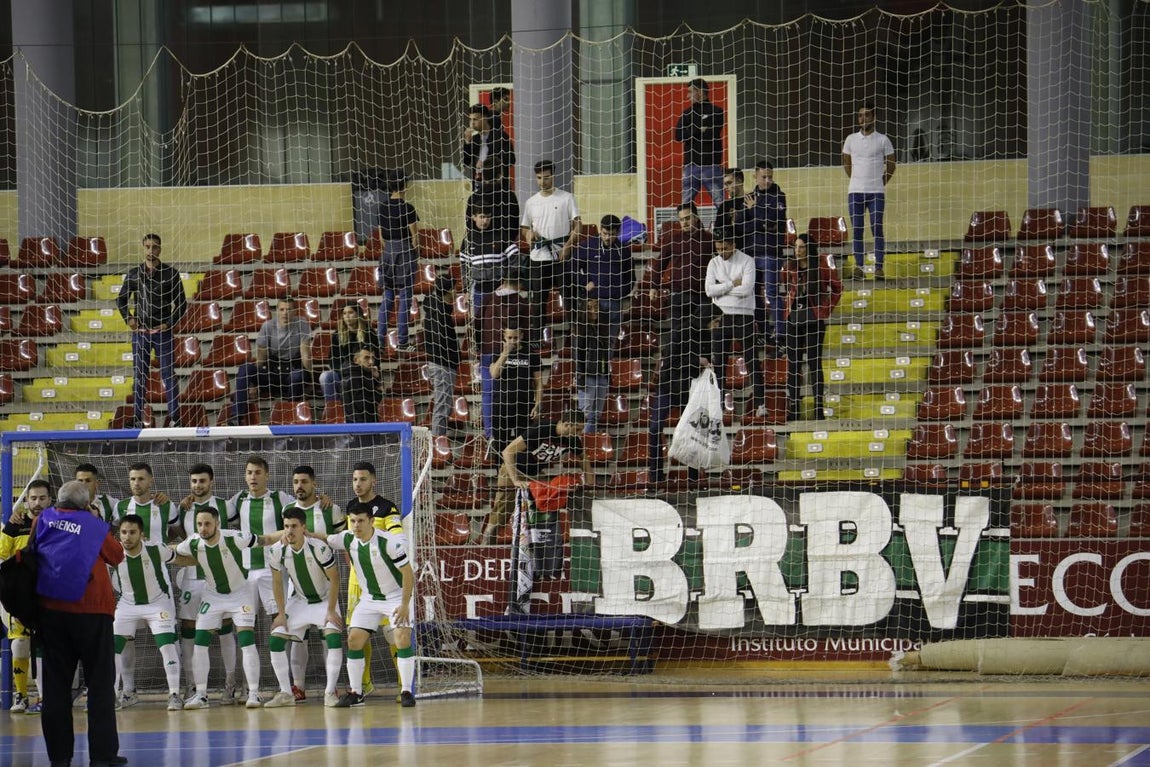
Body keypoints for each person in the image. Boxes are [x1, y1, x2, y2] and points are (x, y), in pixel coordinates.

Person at [33, 480, 125, 767]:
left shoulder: (43, 519)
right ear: (86, 504)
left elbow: (33, 551)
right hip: (93, 612)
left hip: (52, 611)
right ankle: (102, 756)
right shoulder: (93, 525)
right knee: (99, 685)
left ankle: (60, 758)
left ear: (56, 500)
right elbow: (117, 555)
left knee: (56, 688)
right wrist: (95, 520)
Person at [174, 505, 285, 710]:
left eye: (207, 523)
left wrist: (288, 532)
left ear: (217, 523)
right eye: (199, 524)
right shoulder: (193, 542)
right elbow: (175, 553)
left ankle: (253, 693)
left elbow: (265, 539)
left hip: (239, 594)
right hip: (213, 595)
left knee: (246, 640)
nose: (203, 528)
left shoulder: (234, 537)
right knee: (200, 642)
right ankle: (201, 695)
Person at [648, 203, 712, 485]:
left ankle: (693, 475)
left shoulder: (708, 240)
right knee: (677, 340)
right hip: (677, 294)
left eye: (688, 218)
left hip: (700, 296)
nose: (684, 223)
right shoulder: (673, 238)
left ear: (697, 217)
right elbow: (659, 262)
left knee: (692, 339)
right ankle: (654, 476)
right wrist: (652, 283)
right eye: (681, 219)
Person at [173, 463, 239, 705]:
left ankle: (230, 685)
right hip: (192, 577)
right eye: (194, 481)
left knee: (225, 628)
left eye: (202, 481)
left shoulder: (226, 506)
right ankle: (192, 686)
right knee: (189, 629)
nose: (197, 485)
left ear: (211, 481)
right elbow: (179, 536)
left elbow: (234, 536)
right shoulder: (184, 508)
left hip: (220, 577)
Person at [265, 507, 343, 709]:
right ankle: (286, 693)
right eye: (286, 526)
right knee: (276, 637)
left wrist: (331, 611)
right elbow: (276, 583)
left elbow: (335, 579)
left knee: (333, 637)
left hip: (325, 601)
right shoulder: (276, 550)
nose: (289, 531)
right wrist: (281, 614)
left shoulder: (319, 548)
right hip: (299, 601)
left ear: (303, 528)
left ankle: (330, 693)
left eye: (294, 526)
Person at [342, 461, 406, 701]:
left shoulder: (387, 508)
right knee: (357, 633)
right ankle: (364, 685)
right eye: (355, 479)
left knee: (394, 634)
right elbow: (347, 540)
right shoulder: (351, 508)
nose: (358, 484)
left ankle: (404, 686)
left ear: (374, 481)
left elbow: (398, 538)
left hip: (387, 582)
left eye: (363, 479)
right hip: (358, 581)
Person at [280, 464, 343, 700]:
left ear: (314, 483)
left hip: (326, 585)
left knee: (329, 634)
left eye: (304, 481)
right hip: (296, 586)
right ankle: (298, 686)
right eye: (296, 481)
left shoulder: (330, 509)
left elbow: (344, 540)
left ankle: (331, 687)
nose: (299, 486)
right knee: (298, 637)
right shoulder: (287, 509)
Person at [111, 514, 184, 712]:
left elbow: (182, 559)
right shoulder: (114, 552)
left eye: (132, 532)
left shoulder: (156, 549)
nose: (127, 537)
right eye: (123, 533)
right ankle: (118, 694)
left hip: (157, 604)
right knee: (113, 648)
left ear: (142, 535)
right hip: (127, 604)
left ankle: (174, 694)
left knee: (167, 646)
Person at [482, 410, 589, 545]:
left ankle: (533, 547)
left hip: (534, 474)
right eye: (578, 429)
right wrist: (515, 480)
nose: (579, 433)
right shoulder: (540, 429)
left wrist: (590, 485)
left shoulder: (572, 440)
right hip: (513, 468)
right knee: (503, 509)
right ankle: (486, 544)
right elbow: (507, 451)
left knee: (537, 509)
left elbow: (584, 458)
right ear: (568, 424)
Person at [116, 233, 188, 428]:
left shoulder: (171, 274)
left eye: (154, 247)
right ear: (143, 248)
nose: (151, 251)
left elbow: (181, 304)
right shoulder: (133, 274)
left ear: (160, 249)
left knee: (168, 375)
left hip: (163, 334)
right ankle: (137, 418)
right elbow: (120, 300)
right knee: (140, 375)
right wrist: (128, 318)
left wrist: (168, 323)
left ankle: (175, 418)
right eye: (147, 247)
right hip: (140, 334)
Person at [1, 479, 51, 714]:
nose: (37, 502)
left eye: (42, 498)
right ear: (27, 500)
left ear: (50, 499)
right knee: (20, 646)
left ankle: (46, 696)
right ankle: (21, 696)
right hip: (22, 599)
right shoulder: (15, 526)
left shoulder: (57, 523)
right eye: (33, 498)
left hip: (50, 596)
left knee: (49, 648)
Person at [706, 227, 766, 418]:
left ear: (734, 245)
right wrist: (732, 284)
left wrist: (721, 290)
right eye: (718, 248)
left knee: (751, 361)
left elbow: (747, 290)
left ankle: (760, 404)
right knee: (719, 363)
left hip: (744, 315)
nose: (721, 252)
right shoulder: (713, 262)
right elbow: (709, 291)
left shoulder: (747, 261)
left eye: (725, 248)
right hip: (720, 316)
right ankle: (719, 405)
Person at [782, 233, 843, 421]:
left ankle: (818, 407)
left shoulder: (822, 265)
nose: (797, 251)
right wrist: (787, 308)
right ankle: (794, 407)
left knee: (814, 364)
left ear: (809, 248)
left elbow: (838, 288)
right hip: (793, 320)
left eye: (801, 247)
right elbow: (784, 286)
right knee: (793, 365)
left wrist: (825, 310)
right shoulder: (790, 267)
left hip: (814, 319)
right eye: (795, 247)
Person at [229, 456, 297, 621]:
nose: (253, 477)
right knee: (244, 619)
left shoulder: (280, 498)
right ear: (245, 476)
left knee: (280, 616)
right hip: (245, 570)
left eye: (258, 472)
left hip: (273, 568)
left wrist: (322, 499)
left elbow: (302, 512)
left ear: (267, 475)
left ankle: (278, 648)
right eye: (249, 473)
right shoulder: (238, 499)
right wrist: (190, 500)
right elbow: (214, 512)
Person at [520, 159, 581, 337]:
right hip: (539, 258)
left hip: (562, 255)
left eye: (546, 177)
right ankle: (537, 338)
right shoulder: (531, 202)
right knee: (538, 301)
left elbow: (578, 225)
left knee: (569, 298)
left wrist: (568, 246)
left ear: (553, 176)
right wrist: (528, 235)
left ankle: (576, 335)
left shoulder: (566, 197)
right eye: (538, 178)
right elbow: (525, 228)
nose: (542, 182)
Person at [232, 297, 313, 426]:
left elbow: (305, 354)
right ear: (277, 311)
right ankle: (236, 417)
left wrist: (310, 379)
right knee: (245, 368)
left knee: (297, 376)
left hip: (292, 372)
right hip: (272, 373)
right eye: (282, 309)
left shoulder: (302, 324)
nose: (285, 313)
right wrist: (253, 383)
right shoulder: (268, 326)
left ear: (295, 311)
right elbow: (261, 357)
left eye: (289, 309)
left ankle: (290, 417)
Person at [474, 274, 531, 443]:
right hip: (509, 351)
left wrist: (479, 346)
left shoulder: (489, 298)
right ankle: (512, 437)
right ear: (519, 283)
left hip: (486, 349)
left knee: (488, 394)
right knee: (506, 394)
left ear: (503, 281)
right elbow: (526, 328)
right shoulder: (521, 302)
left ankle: (490, 433)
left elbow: (477, 322)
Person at [842, 102, 896, 280]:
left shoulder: (883, 139)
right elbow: (847, 164)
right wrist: (858, 180)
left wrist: (879, 182)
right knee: (857, 229)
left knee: (876, 228)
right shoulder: (850, 139)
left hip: (876, 193)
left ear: (874, 117)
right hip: (855, 192)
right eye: (860, 115)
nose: (863, 118)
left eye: (866, 115)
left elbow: (891, 164)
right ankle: (859, 267)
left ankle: (878, 267)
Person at [737, 161, 787, 346]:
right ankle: (764, 332)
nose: (768, 180)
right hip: (750, 253)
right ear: (755, 177)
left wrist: (754, 211)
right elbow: (741, 225)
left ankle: (780, 333)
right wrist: (761, 222)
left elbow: (776, 222)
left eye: (770, 176)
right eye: (764, 177)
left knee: (773, 293)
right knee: (753, 294)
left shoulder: (779, 196)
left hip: (771, 253)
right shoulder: (748, 197)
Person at [572, 213, 634, 348]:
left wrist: (619, 293)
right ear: (600, 230)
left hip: (614, 303)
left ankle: (606, 368)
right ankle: (586, 368)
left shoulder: (624, 251)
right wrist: (584, 281)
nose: (607, 237)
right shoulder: (587, 246)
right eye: (604, 233)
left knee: (609, 342)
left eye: (611, 234)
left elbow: (631, 278)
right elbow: (572, 266)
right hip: (592, 303)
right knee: (588, 342)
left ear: (618, 232)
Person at [376, 173, 420, 352]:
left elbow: (381, 237)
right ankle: (402, 342)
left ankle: (379, 341)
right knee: (405, 297)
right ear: (404, 187)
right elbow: (415, 237)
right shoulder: (408, 208)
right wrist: (414, 253)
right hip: (404, 252)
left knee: (387, 297)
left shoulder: (382, 208)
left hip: (387, 253)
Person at [459, 201, 519, 320]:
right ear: (474, 217)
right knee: (480, 325)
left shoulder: (501, 236)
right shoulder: (468, 239)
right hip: (478, 292)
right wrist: (466, 290)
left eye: (488, 217)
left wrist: (508, 282)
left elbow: (515, 258)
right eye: (481, 217)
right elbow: (464, 267)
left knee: (500, 325)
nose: (485, 221)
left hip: (500, 290)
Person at [490, 323, 542, 455]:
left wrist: (537, 404)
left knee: (525, 444)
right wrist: (505, 354)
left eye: (516, 337)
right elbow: (494, 374)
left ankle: (521, 473)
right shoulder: (497, 352)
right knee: (500, 443)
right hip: (502, 405)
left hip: (524, 406)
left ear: (522, 336)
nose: (513, 341)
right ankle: (500, 473)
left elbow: (539, 383)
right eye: (510, 338)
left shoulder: (531, 354)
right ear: (504, 337)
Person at [674, 78, 725, 208]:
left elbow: (712, 133)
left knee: (721, 204)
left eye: (690, 92)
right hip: (691, 166)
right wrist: (698, 129)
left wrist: (691, 132)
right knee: (685, 205)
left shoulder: (717, 111)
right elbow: (679, 136)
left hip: (711, 165)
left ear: (701, 92)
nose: (687, 96)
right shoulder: (686, 113)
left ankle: (725, 228)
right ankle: (686, 228)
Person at [422, 275, 463, 437]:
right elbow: (441, 342)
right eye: (453, 288)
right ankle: (437, 442)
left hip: (443, 364)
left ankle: (439, 439)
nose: (455, 292)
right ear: (446, 291)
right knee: (442, 406)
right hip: (442, 364)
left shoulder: (437, 309)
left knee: (444, 405)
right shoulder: (438, 313)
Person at [319, 304, 381, 404]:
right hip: (343, 372)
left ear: (358, 314)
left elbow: (375, 358)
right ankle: (335, 409)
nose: (347, 316)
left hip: (363, 372)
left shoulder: (369, 333)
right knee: (325, 376)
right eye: (344, 313)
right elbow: (333, 359)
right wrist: (343, 371)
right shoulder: (337, 335)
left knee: (354, 380)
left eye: (350, 313)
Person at [114, 462, 179, 544]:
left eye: (141, 479)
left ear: (151, 481)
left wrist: (162, 543)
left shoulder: (166, 505)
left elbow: (177, 530)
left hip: (158, 556)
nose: (136, 483)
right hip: (131, 556)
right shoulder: (120, 506)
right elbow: (111, 532)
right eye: (133, 479)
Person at [573, 297, 611, 435]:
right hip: (588, 376)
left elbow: (604, 355)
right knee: (585, 414)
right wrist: (581, 375)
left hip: (602, 375)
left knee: (596, 415)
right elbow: (578, 355)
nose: (594, 311)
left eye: (596, 307)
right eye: (590, 308)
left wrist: (607, 374)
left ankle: (590, 443)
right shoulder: (580, 329)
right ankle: (581, 444)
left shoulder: (601, 328)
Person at [461, 103, 515, 193]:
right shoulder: (474, 139)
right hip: (479, 187)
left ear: (485, 118)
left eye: (475, 119)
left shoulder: (500, 136)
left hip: (499, 188)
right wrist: (467, 142)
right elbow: (465, 162)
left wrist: (487, 163)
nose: (472, 123)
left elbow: (511, 160)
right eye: (470, 119)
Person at [341, 346, 384, 424]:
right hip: (361, 429)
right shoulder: (355, 378)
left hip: (361, 426)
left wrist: (376, 379)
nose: (371, 362)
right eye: (366, 358)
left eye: (372, 358)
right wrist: (379, 391)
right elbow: (365, 406)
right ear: (356, 360)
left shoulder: (361, 374)